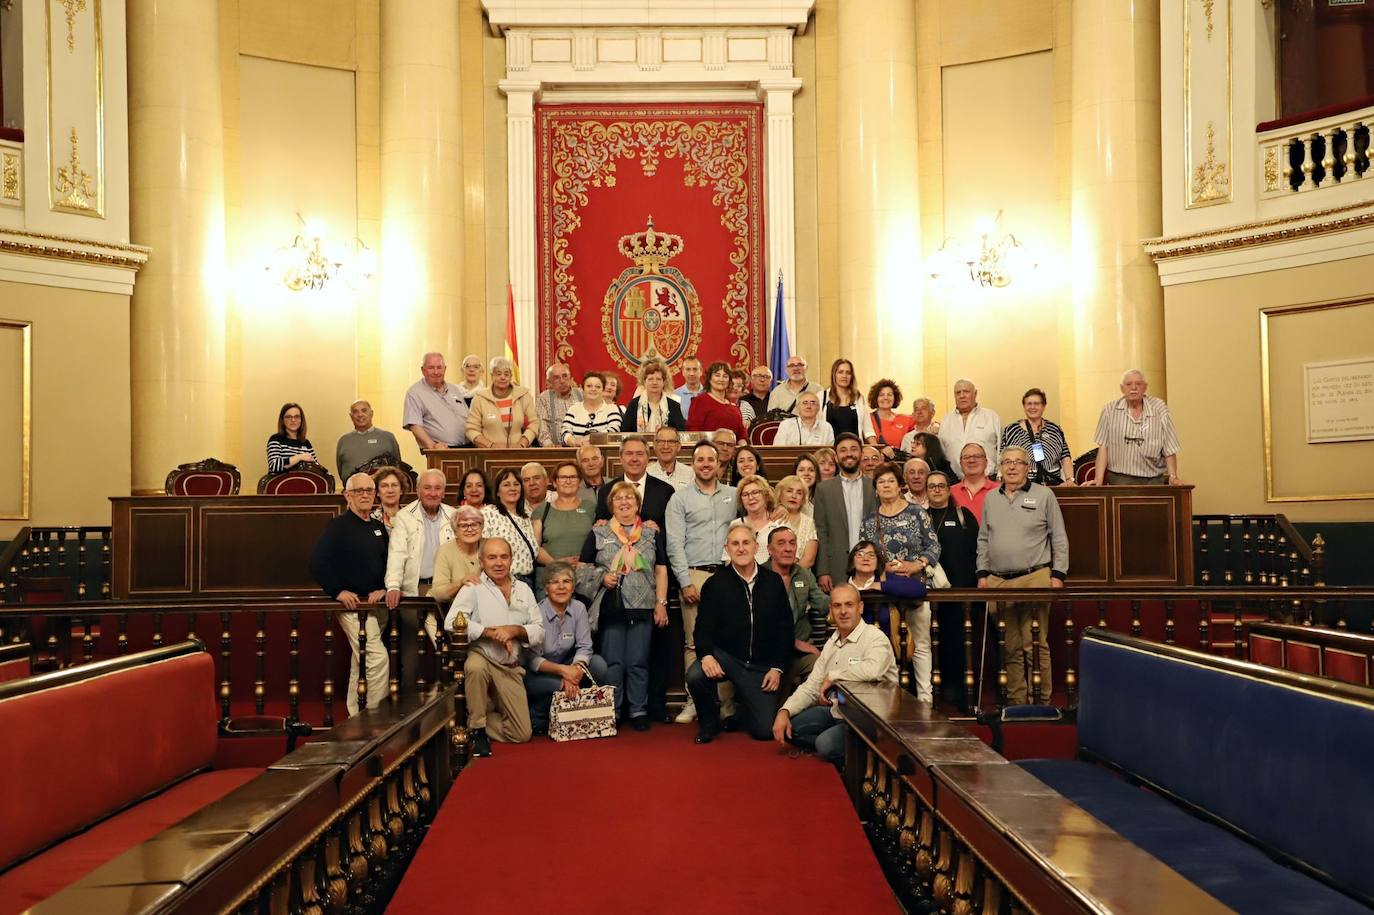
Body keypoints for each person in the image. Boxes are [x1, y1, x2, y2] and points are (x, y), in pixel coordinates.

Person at [977, 446, 1070, 706]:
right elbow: (984, 539)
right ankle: (1018, 703)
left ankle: (1040, 702)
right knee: (1010, 647)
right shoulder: (991, 498)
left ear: (1028, 467)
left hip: (1034, 578)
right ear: (1000, 467)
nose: (1012, 467)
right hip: (997, 581)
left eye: (1018, 462)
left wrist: (1058, 573)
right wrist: (982, 573)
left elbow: (1059, 537)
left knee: (1035, 645)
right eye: (1007, 462)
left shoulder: (1044, 495)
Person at [686, 522, 794, 743]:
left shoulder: (773, 582)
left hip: (761, 667)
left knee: (764, 732)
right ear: (727, 548)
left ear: (756, 547)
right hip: (728, 658)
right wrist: (706, 655)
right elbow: (702, 629)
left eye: (746, 543)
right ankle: (709, 722)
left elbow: (785, 629)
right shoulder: (715, 584)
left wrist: (777, 668)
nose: (741, 548)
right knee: (695, 675)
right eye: (735, 544)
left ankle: (742, 713)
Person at [773, 583, 897, 766]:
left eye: (849, 605)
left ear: (860, 607)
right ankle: (843, 743)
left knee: (825, 745)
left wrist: (833, 676)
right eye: (837, 606)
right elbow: (811, 686)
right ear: (830, 609)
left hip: (871, 719)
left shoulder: (875, 637)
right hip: (839, 710)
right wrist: (785, 710)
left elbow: (873, 669)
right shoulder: (833, 642)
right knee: (793, 727)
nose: (843, 611)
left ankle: (862, 754)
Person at [580, 481, 669, 730]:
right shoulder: (599, 533)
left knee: (638, 661)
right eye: (618, 498)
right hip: (612, 606)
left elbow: (661, 570)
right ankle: (614, 709)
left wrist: (661, 603)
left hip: (644, 605)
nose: (624, 502)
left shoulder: (651, 534)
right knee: (614, 662)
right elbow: (582, 569)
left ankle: (639, 709)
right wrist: (601, 577)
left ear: (638, 504)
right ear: (611, 505)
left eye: (630, 497)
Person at [445, 538, 543, 756]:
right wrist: (489, 632)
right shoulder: (474, 587)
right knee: (475, 667)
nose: (498, 563)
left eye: (503, 557)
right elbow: (451, 621)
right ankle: (478, 729)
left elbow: (539, 630)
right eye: (492, 557)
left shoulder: (524, 589)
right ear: (482, 561)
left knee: (522, 734)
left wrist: (514, 630)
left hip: (510, 665)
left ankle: (469, 718)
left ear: (511, 560)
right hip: (483, 654)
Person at [664, 441, 739, 724]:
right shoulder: (679, 499)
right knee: (694, 642)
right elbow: (674, 543)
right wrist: (684, 581)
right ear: (692, 464)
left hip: (728, 575)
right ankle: (694, 701)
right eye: (700, 460)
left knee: (729, 641)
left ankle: (727, 705)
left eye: (711, 459)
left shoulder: (734, 494)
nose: (706, 464)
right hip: (694, 574)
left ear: (719, 463)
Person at [309, 473, 389, 716]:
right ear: (347, 496)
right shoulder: (338, 527)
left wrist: (385, 588)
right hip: (353, 608)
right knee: (377, 659)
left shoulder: (377, 527)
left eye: (369, 490)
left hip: (376, 605)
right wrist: (337, 591)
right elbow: (317, 563)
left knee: (361, 660)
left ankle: (355, 713)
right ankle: (375, 719)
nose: (365, 495)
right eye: (359, 491)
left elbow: (388, 563)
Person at [860, 463, 940, 701]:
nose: (885, 486)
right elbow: (864, 552)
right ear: (875, 489)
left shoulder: (917, 513)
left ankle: (926, 700)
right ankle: (891, 703)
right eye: (880, 482)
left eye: (890, 481)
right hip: (884, 591)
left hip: (915, 587)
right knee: (886, 646)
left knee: (921, 645)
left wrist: (917, 564)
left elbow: (934, 545)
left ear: (900, 486)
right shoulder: (869, 520)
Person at [383, 469, 454, 691]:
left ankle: (451, 707)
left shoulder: (454, 514)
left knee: (450, 647)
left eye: (437, 488)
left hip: (448, 590)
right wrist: (393, 586)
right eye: (427, 487)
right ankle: (410, 710)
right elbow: (397, 553)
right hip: (416, 590)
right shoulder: (405, 516)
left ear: (443, 492)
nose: (432, 493)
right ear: (417, 490)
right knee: (413, 652)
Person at [523, 562, 610, 737]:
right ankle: (540, 714)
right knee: (559, 685)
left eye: (567, 581)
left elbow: (585, 647)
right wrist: (564, 673)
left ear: (573, 586)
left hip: (568, 666)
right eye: (555, 582)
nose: (561, 587)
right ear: (546, 588)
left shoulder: (578, 608)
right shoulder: (536, 613)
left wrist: (575, 672)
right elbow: (531, 659)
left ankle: (581, 715)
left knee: (599, 665)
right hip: (539, 673)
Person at [925, 471, 979, 702]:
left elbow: (978, 551)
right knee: (933, 642)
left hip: (961, 592)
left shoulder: (963, 515)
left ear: (949, 489)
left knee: (960, 643)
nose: (936, 490)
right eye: (932, 486)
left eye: (941, 486)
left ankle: (961, 693)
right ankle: (936, 691)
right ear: (926, 491)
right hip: (929, 594)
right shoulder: (920, 517)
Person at [1088, 369, 1185, 486]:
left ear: (1145, 388)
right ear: (1122, 388)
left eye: (1138, 384)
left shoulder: (1159, 408)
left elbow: (1169, 446)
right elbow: (1103, 447)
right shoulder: (1109, 409)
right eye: (1128, 384)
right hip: (1120, 479)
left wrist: (1173, 477)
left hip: (1153, 479)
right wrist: (1098, 479)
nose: (1133, 388)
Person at [767, 526, 829, 692]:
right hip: (770, 653)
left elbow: (823, 605)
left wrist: (841, 599)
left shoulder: (804, 574)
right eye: (781, 543)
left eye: (792, 543)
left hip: (802, 653)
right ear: (770, 550)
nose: (788, 548)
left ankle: (810, 715)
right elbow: (759, 625)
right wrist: (794, 642)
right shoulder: (760, 576)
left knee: (822, 667)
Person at [812, 434, 876, 593]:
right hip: (836, 567)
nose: (849, 454)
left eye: (854, 449)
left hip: (871, 567)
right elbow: (821, 531)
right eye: (843, 450)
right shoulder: (824, 489)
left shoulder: (875, 487)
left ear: (861, 453)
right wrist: (823, 570)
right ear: (836, 456)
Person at [532, 461, 596, 599]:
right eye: (563, 477)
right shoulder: (542, 510)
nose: (568, 481)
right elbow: (534, 548)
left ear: (579, 482)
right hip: (551, 579)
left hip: (583, 580)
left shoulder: (590, 508)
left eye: (573, 477)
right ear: (555, 482)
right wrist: (557, 564)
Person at [593, 436, 675, 527]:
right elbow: (600, 528)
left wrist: (657, 532)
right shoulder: (606, 491)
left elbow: (671, 530)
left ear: (648, 458)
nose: (634, 459)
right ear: (620, 458)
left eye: (639, 454)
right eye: (629, 453)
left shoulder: (665, 491)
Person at [1001, 388, 1074, 487]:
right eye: (1029, 404)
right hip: (1022, 486)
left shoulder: (1055, 429)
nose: (1032, 407)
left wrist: (1070, 480)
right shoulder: (1011, 430)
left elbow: (1065, 457)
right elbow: (1003, 460)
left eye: (1036, 403)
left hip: (1053, 486)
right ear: (1024, 406)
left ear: (1044, 406)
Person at [482, 468, 538, 589]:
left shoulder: (527, 514)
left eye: (516, 484)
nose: (512, 488)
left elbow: (535, 549)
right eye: (506, 485)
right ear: (497, 491)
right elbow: (481, 551)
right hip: (502, 582)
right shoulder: (489, 513)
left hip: (528, 581)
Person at [404, 352, 470, 450]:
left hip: (468, 447)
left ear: (445, 369)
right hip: (441, 451)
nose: (436, 372)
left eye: (439, 367)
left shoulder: (454, 389)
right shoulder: (414, 393)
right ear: (423, 370)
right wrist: (433, 446)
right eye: (431, 368)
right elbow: (415, 426)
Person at [467, 357, 537, 448]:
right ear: (492, 375)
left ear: (511, 376)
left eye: (506, 374)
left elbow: (534, 423)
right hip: (488, 455)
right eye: (498, 374)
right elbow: (471, 429)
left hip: (517, 452)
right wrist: (490, 445)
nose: (503, 377)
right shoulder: (480, 398)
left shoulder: (523, 395)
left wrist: (522, 443)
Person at [938, 380, 1001, 480]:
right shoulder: (946, 421)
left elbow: (1000, 449)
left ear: (975, 394)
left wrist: (1000, 477)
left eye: (966, 391)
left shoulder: (991, 417)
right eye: (958, 393)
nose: (962, 396)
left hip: (988, 481)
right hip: (955, 482)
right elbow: (941, 453)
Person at [429, 505, 485, 603]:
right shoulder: (445, 551)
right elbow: (437, 593)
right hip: (453, 610)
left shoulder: (491, 547)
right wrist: (460, 584)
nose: (470, 529)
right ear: (455, 531)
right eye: (463, 526)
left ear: (482, 527)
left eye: (475, 524)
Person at [336, 400, 400, 479]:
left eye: (364, 410)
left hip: (381, 490)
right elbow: (340, 469)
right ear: (351, 416)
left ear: (371, 413)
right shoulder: (344, 441)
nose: (360, 415)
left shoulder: (388, 438)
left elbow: (398, 468)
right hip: (351, 490)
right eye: (355, 412)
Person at [732, 475, 788, 564]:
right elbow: (728, 558)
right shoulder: (735, 525)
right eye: (745, 495)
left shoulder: (780, 524)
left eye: (755, 492)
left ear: (765, 495)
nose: (750, 498)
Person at [622, 358, 686, 433]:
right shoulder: (634, 405)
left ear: (664, 382)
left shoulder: (674, 405)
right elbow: (625, 432)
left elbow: (680, 433)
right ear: (644, 382)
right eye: (650, 379)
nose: (654, 382)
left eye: (658, 379)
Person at [686, 360, 747, 439]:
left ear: (729, 381)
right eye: (717, 375)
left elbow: (742, 434)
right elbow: (693, 431)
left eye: (725, 376)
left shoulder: (733, 405)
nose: (721, 379)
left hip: (732, 448)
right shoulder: (700, 401)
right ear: (709, 379)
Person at [561, 371, 621, 445]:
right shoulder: (574, 409)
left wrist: (591, 439)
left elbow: (614, 430)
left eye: (598, 387)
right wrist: (575, 442)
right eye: (589, 386)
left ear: (602, 390)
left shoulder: (612, 408)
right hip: (576, 452)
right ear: (582, 389)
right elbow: (565, 432)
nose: (593, 389)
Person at [820, 358, 870, 441]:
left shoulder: (858, 397)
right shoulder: (822, 396)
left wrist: (876, 450)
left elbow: (868, 429)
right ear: (834, 374)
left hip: (854, 449)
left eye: (848, 373)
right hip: (830, 449)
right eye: (840, 372)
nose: (844, 376)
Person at [775, 474, 818, 567]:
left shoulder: (809, 522)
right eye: (789, 491)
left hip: (800, 576)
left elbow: (809, 560)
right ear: (780, 494)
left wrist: (791, 576)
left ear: (803, 499)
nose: (794, 496)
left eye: (799, 493)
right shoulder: (772, 516)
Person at [535, 362, 583, 447]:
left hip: (581, 447)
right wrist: (548, 444)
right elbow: (542, 426)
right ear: (549, 382)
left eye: (565, 376)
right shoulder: (543, 398)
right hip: (556, 448)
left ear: (571, 378)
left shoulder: (582, 394)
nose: (562, 381)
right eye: (556, 378)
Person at [866, 379, 915, 456]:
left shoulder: (906, 419)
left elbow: (922, 426)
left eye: (889, 395)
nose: (886, 397)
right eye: (881, 395)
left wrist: (935, 425)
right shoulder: (868, 419)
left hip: (901, 463)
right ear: (875, 398)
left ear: (895, 398)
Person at [952, 443, 999, 523]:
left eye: (977, 456)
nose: (971, 460)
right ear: (960, 463)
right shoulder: (950, 492)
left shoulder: (1000, 491)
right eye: (966, 457)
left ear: (986, 462)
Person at [267, 403, 318, 473]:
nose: (293, 420)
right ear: (282, 420)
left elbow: (316, 467)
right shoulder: (275, 439)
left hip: (303, 482)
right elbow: (274, 465)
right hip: (282, 483)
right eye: (289, 417)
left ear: (301, 420)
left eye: (297, 416)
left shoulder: (306, 443)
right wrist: (300, 457)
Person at [371, 465, 408, 530]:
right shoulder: (371, 520)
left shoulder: (412, 517)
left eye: (394, 485)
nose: (390, 490)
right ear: (377, 492)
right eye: (384, 486)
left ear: (401, 490)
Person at [674, 355, 706, 422]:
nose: (691, 373)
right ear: (683, 372)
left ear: (701, 371)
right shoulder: (674, 395)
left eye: (695, 369)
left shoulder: (709, 394)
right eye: (688, 369)